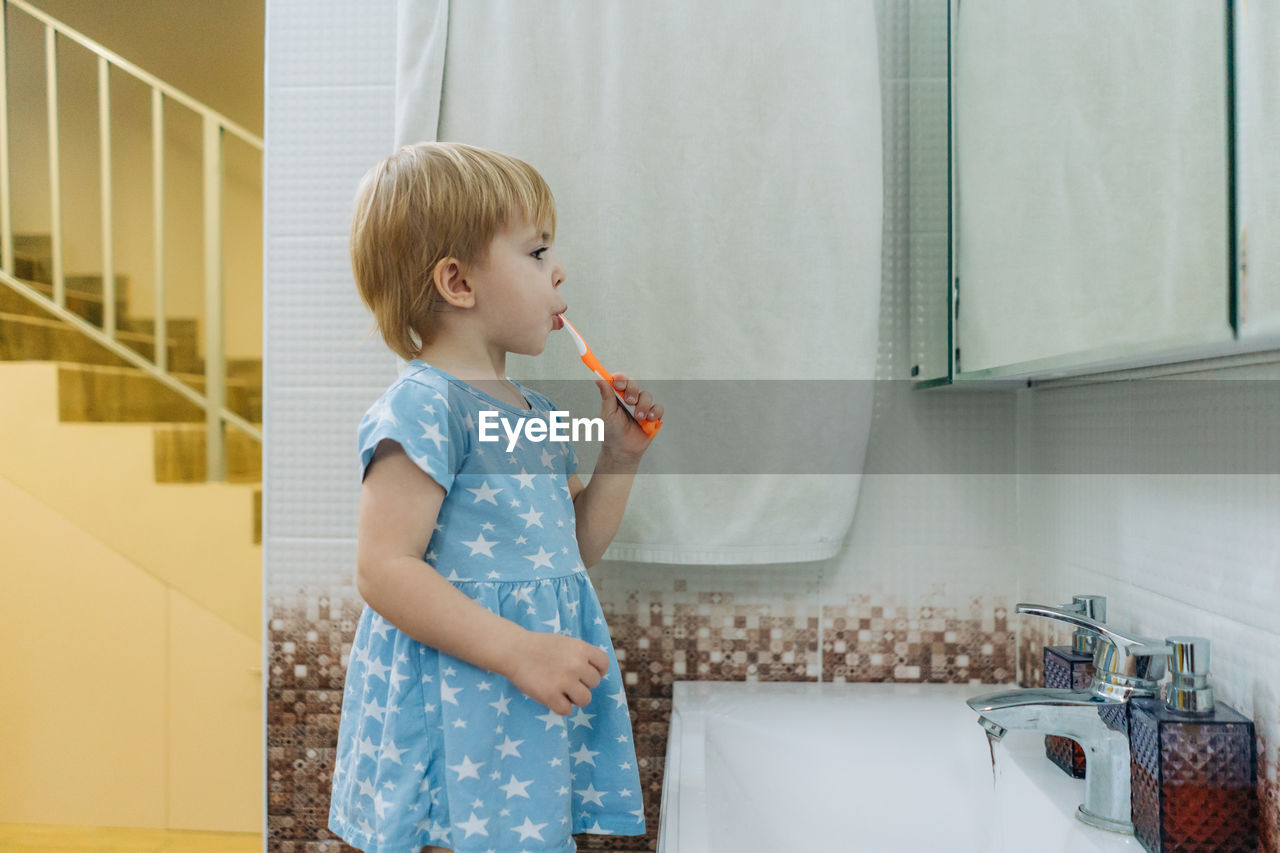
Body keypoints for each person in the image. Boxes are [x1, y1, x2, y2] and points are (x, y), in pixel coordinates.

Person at [327, 141, 661, 853]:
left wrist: (619, 458)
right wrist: (518, 651)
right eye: (538, 253)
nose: (559, 268)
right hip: (458, 704)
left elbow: (570, 548)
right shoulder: (425, 406)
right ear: (457, 282)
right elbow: (383, 569)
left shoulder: (534, 412)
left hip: (516, 710)